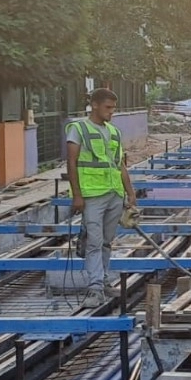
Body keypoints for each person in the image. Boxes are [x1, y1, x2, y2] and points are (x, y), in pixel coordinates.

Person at [66, 88, 137, 305]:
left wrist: (130, 193)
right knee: (94, 242)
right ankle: (95, 289)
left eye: (113, 108)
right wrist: (77, 196)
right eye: (108, 107)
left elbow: (120, 165)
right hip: (92, 195)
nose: (111, 112)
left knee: (107, 242)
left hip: (114, 194)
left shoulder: (114, 132)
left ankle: (103, 281)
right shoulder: (78, 129)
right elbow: (71, 163)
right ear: (94, 105)